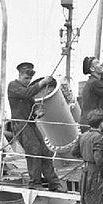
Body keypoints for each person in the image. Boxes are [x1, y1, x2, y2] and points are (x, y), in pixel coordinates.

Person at [7, 62, 62, 191]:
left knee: (45, 151)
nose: (28, 81)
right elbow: (27, 93)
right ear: (19, 75)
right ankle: (35, 183)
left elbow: (30, 104)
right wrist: (42, 83)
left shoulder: (27, 89)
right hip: (20, 124)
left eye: (29, 79)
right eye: (26, 78)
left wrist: (37, 112)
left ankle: (53, 183)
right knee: (34, 150)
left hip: (29, 123)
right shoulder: (13, 86)